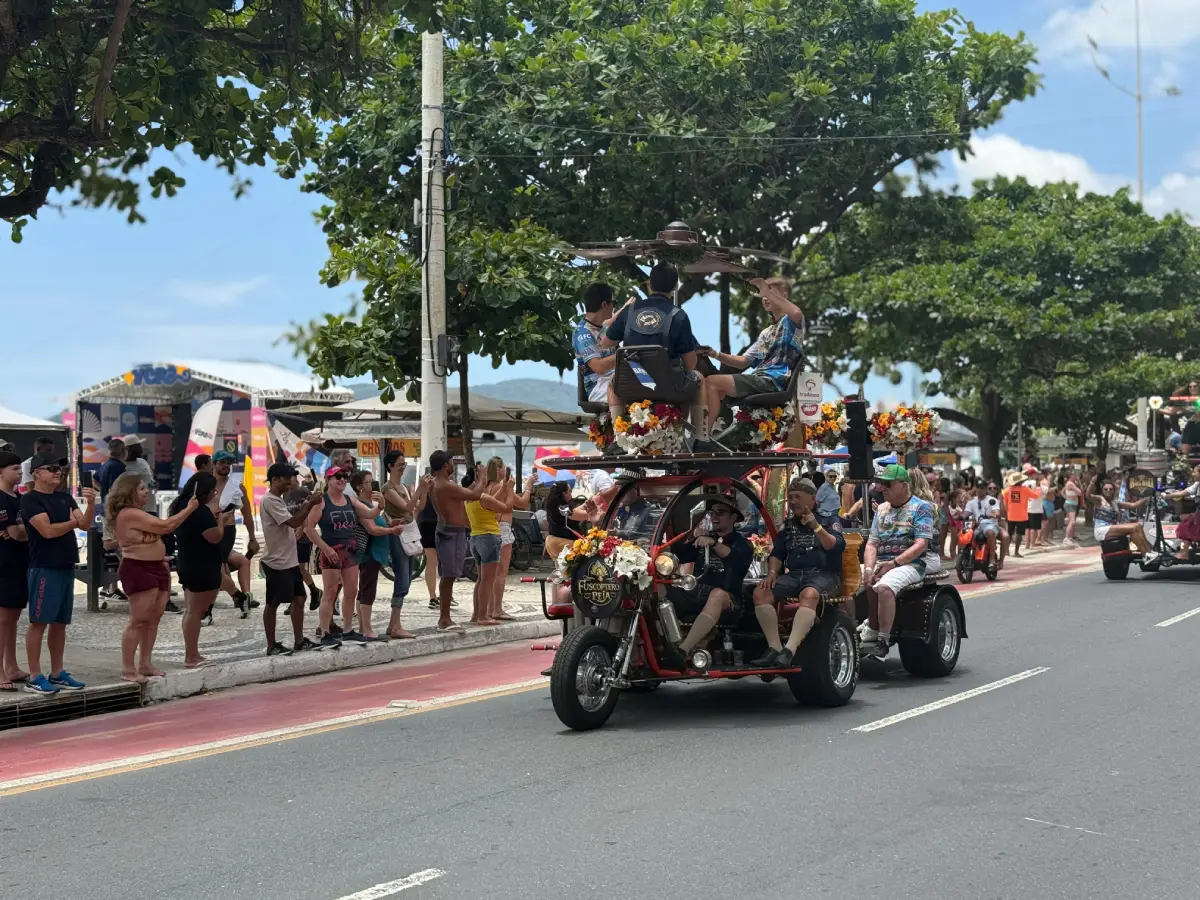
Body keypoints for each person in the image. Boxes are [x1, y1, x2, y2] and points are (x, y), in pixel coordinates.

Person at [602, 262, 708, 447]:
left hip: (631, 385)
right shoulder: (679, 315)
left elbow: (605, 343)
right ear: (675, 287)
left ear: (649, 283)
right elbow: (690, 364)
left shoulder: (630, 311)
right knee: (698, 379)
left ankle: (619, 438)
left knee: (612, 383)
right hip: (668, 388)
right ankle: (701, 438)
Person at [108, 473, 196, 682]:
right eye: (141, 488)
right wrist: (190, 508)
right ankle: (129, 669)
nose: (146, 491)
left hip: (157, 567)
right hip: (138, 568)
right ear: (129, 491)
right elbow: (166, 526)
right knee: (138, 620)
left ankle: (145, 663)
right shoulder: (128, 514)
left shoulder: (140, 514)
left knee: (154, 618)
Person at [20, 452, 95, 693]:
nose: (57, 472)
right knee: (39, 622)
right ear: (37, 473)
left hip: (65, 565)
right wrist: (73, 523)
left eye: (60, 468)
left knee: (60, 623)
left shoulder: (65, 498)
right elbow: (48, 531)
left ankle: (57, 672)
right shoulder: (30, 500)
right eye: (51, 468)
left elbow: (84, 524)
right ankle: (34, 675)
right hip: (44, 566)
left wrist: (91, 503)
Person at [697, 276, 806, 440]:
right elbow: (743, 362)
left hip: (772, 381)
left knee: (712, 382)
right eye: (762, 295)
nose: (764, 298)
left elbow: (796, 312)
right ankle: (716, 431)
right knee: (708, 384)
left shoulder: (792, 323)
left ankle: (703, 437)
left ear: (783, 296)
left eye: (769, 293)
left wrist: (767, 291)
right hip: (760, 379)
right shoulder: (766, 333)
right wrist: (715, 354)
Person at [751, 478, 845, 668]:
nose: (793, 501)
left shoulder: (828, 520)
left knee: (808, 594)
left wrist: (815, 526)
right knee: (760, 592)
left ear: (812, 500)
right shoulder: (788, 525)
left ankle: (790, 651)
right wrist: (771, 573)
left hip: (825, 574)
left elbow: (834, 547)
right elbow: (777, 553)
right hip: (794, 575)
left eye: (797, 497)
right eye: (790, 497)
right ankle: (775, 648)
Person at [658, 495, 754, 670]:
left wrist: (714, 543)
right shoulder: (702, 539)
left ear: (733, 517)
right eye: (711, 513)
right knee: (655, 587)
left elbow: (736, 559)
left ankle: (682, 651)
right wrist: (659, 547)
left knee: (717, 594)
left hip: (730, 603)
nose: (715, 516)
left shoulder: (743, 544)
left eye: (721, 512)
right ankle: (657, 645)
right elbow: (678, 554)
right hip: (696, 594)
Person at [304, 465, 392, 647]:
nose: (342, 479)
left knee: (351, 591)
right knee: (329, 592)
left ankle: (348, 630)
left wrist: (381, 504)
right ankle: (325, 632)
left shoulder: (349, 500)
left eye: (345, 476)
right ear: (328, 479)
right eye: (338, 476)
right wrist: (325, 549)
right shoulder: (321, 502)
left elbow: (370, 513)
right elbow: (309, 529)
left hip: (350, 551)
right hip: (331, 550)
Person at [859, 465, 934, 661]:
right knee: (844, 580)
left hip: (910, 565)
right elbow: (872, 543)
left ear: (903, 485)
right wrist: (868, 568)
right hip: (883, 561)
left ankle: (883, 641)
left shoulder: (921, 507)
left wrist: (894, 563)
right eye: (881, 484)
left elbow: (921, 544)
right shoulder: (882, 510)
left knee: (884, 587)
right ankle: (851, 628)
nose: (881, 488)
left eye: (887, 484)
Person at [259, 463, 324, 655]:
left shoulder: (278, 500)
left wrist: (305, 507)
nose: (290, 482)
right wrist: (310, 505)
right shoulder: (270, 501)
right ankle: (272, 645)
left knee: (300, 598)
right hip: (276, 562)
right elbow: (294, 521)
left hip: (289, 560)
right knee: (273, 602)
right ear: (275, 479)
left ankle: (299, 640)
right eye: (286, 478)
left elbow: (290, 524)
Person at [172, 473, 233, 668]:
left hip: (187, 560)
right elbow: (214, 536)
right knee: (196, 611)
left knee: (192, 610)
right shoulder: (200, 511)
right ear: (205, 493)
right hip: (202, 564)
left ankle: (192, 653)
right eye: (213, 492)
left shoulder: (180, 505)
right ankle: (191, 655)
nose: (215, 495)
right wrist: (221, 520)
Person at [429, 451, 487, 632]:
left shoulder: (437, 483)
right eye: (451, 461)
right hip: (452, 533)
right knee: (449, 576)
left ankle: (444, 617)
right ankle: (444, 619)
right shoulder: (445, 485)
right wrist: (482, 477)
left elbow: (464, 494)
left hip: (447, 531)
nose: (453, 464)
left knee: (448, 575)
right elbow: (476, 494)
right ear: (446, 466)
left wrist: (473, 484)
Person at [344, 471, 404, 642]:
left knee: (365, 589)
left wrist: (390, 524)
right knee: (367, 590)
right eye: (369, 482)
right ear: (359, 487)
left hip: (375, 553)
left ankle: (364, 627)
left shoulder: (371, 504)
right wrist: (391, 530)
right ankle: (367, 628)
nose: (372, 484)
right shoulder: (362, 505)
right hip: (369, 553)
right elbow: (372, 529)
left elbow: (378, 523)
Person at [381, 451, 429, 639]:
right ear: (390, 466)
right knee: (402, 577)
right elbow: (408, 507)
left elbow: (420, 506)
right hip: (397, 535)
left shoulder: (402, 486)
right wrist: (420, 488)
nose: (403, 466)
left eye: (404, 463)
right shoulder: (388, 488)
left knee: (407, 577)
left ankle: (394, 624)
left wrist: (423, 489)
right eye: (400, 464)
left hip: (407, 532)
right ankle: (395, 624)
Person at [463, 464, 518, 626]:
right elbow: (507, 507)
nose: (487, 479)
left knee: (481, 579)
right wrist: (510, 490)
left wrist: (505, 488)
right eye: (484, 476)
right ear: (478, 478)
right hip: (489, 538)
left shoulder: (469, 498)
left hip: (476, 537)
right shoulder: (483, 498)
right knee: (488, 580)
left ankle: (476, 614)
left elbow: (492, 500)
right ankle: (483, 616)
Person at [486, 458, 536, 622]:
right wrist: (528, 486)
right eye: (504, 468)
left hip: (490, 528)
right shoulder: (503, 487)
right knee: (501, 572)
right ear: (499, 470)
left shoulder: (487, 487)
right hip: (503, 528)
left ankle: (490, 608)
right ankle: (497, 609)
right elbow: (522, 503)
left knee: (491, 573)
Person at [210, 450, 258, 619]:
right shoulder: (205, 485)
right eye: (222, 462)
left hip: (227, 532)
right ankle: (240, 597)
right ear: (214, 464)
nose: (226, 466)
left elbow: (247, 514)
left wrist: (252, 538)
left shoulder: (237, 487)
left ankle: (207, 612)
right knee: (215, 570)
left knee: (215, 568)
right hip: (208, 531)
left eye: (228, 463)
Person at [0, 451, 29, 691]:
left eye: (20, 468)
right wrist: (23, 531)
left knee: (13, 618)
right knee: (2, 619)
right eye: (13, 468)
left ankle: (11, 665)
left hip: (19, 561)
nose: (19, 472)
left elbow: (20, 532)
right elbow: (19, 532)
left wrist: (20, 531)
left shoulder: (18, 497)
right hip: (3, 563)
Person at [573, 282, 620, 405]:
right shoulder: (583, 333)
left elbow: (613, 320)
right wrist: (625, 355)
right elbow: (599, 367)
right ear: (604, 305)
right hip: (598, 387)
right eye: (613, 303)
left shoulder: (602, 326)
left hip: (616, 380)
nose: (614, 308)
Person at [1090, 480, 1157, 560]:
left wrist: (1147, 497)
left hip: (1111, 527)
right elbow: (1088, 495)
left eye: (1111, 489)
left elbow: (1134, 505)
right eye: (1106, 489)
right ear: (1102, 491)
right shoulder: (1099, 500)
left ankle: (1149, 552)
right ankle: (1145, 554)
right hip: (1101, 530)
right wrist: (1091, 483)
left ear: (1114, 491)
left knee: (1138, 526)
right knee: (1133, 527)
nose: (1108, 491)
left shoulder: (1115, 502)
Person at [964, 481, 1001, 567]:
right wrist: (960, 516)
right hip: (977, 525)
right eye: (978, 487)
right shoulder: (972, 501)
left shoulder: (992, 500)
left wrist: (991, 514)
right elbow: (966, 513)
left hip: (990, 524)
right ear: (975, 488)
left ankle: (992, 559)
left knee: (990, 532)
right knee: (965, 534)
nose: (980, 489)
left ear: (985, 489)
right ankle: (965, 556)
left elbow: (997, 512)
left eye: (982, 487)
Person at [416, 479, 440, 609]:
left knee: (431, 563)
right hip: (440, 523)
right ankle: (442, 595)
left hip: (425, 523)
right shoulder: (445, 484)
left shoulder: (423, 485)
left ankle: (433, 596)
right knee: (441, 562)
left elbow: (417, 507)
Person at [120, 435, 157, 512]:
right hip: (135, 511)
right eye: (138, 446)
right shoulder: (121, 466)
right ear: (128, 449)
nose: (141, 448)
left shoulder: (143, 462)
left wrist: (153, 484)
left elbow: (150, 481)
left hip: (151, 508)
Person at [1002, 472, 1032, 559]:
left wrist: (1007, 513)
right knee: (1019, 534)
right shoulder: (1025, 489)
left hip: (1010, 515)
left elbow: (1005, 504)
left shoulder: (1007, 490)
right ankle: (1016, 552)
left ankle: (1007, 551)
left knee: (1009, 533)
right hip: (1022, 516)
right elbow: (1035, 496)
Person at [1062, 472, 1083, 544]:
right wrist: (1067, 498)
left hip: (1073, 504)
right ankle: (1066, 538)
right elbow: (1080, 492)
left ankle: (1071, 536)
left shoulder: (1073, 483)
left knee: (1072, 522)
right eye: (1074, 475)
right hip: (1070, 504)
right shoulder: (1070, 484)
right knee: (1072, 521)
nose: (1076, 476)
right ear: (1070, 476)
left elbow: (1081, 491)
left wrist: (1079, 482)